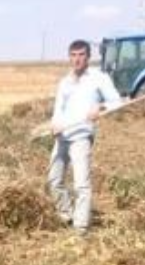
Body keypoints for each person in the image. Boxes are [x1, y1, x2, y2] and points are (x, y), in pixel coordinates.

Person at [47, 39, 122, 235]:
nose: (77, 59)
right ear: (69, 57)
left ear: (88, 57)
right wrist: (55, 124)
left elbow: (117, 102)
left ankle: (80, 228)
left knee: (81, 183)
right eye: (73, 55)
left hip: (81, 136)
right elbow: (58, 110)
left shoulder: (99, 78)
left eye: (81, 55)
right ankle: (66, 215)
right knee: (54, 180)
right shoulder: (65, 82)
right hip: (62, 135)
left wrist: (101, 107)